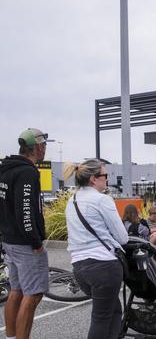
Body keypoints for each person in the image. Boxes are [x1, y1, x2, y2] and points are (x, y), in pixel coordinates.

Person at [62, 159, 129, 339]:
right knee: (102, 317)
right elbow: (122, 238)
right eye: (104, 175)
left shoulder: (72, 200)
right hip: (103, 267)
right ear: (93, 178)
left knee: (114, 310)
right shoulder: (102, 200)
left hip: (80, 268)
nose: (107, 179)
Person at [0, 128, 49, 339]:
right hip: (25, 244)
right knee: (33, 294)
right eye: (44, 146)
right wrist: (35, 242)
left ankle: (11, 337)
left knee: (16, 291)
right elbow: (26, 211)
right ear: (37, 147)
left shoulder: (5, 168)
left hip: (9, 240)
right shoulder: (27, 172)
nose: (45, 150)